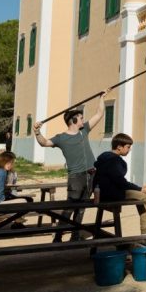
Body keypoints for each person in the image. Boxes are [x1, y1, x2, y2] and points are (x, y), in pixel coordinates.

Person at [34, 94, 106, 239]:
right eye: (80, 118)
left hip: (91, 174)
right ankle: (58, 237)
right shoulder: (61, 138)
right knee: (69, 208)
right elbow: (44, 142)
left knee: (82, 209)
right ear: (73, 120)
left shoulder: (84, 131)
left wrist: (102, 97)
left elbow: (99, 114)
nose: (82, 120)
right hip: (75, 177)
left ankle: (75, 235)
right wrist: (36, 131)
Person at [93, 133, 146, 240]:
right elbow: (121, 182)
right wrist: (140, 189)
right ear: (119, 147)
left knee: (139, 195)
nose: (129, 150)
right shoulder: (114, 160)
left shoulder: (105, 157)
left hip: (103, 193)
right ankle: (145, 234)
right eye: (128, 147)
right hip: (111, 194)